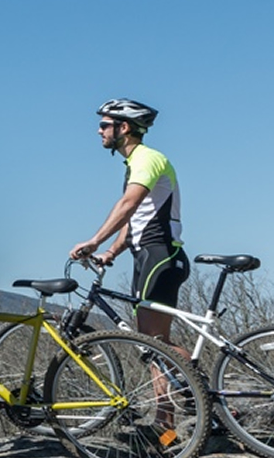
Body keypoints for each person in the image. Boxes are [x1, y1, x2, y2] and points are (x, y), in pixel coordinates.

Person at [70, 98, 188, 349]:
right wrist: (110, 252)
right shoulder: (135, 163)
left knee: (156, 344)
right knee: (151, 345)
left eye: (104, 125)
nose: (99, 130)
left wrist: (94, 240)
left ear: (123, 128)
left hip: (159, 253)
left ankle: (196, 388)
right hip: (148, 254)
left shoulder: (147, 159)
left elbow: (128, 205)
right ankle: (174, 390)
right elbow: (136, 218)